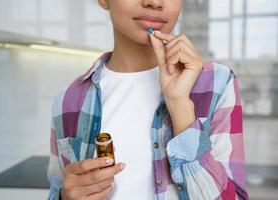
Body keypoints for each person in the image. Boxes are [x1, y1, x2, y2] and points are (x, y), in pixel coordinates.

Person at [47, 0, 248, 199]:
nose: (154, 2)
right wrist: (65, 197)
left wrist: (180, 105)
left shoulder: (218, 83)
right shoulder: (67, 100)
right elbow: (57, 191)